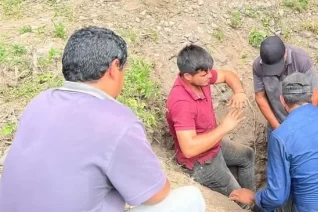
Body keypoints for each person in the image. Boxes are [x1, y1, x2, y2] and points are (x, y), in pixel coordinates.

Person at [0, 27, 205, 212]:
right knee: (191, 198)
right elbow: (156, 194)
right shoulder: (117, 121)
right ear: (114, 67)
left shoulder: (40, 101)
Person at [229, 73, 318, 212]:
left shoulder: (281, 136)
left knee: (270, 204)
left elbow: (276, 197)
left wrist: (253, 197)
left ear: (282, 100)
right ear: (311, 96)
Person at [165, 45, 254, 197]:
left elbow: (227, 75)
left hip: (214, 145)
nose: (209, 76)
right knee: (240, 200)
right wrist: (224, 127)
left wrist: (239, 92)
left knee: (247, 156)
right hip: (202, 162)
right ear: (187, 76)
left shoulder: (201, 77)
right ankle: (248, 205)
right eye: (204, 74)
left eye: (209, 72)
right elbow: (189, 148)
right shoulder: (182, 104)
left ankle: (254, 200)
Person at [253, 36, 318, 130]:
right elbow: (260, 97)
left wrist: (302, 122)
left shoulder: (301, 60)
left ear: (285, 52)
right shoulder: (258, 66)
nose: (275, 72)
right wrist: (278, 128)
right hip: (277, 122)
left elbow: (316, 93)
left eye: (277, 66)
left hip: (303, 121)